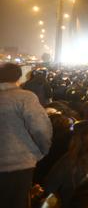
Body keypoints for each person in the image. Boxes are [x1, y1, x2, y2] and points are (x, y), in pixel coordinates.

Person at [0, 62, 52, 208]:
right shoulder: (25, 98)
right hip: (21, 163)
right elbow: (41, 128)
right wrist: (42, 150)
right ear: (18, 76)